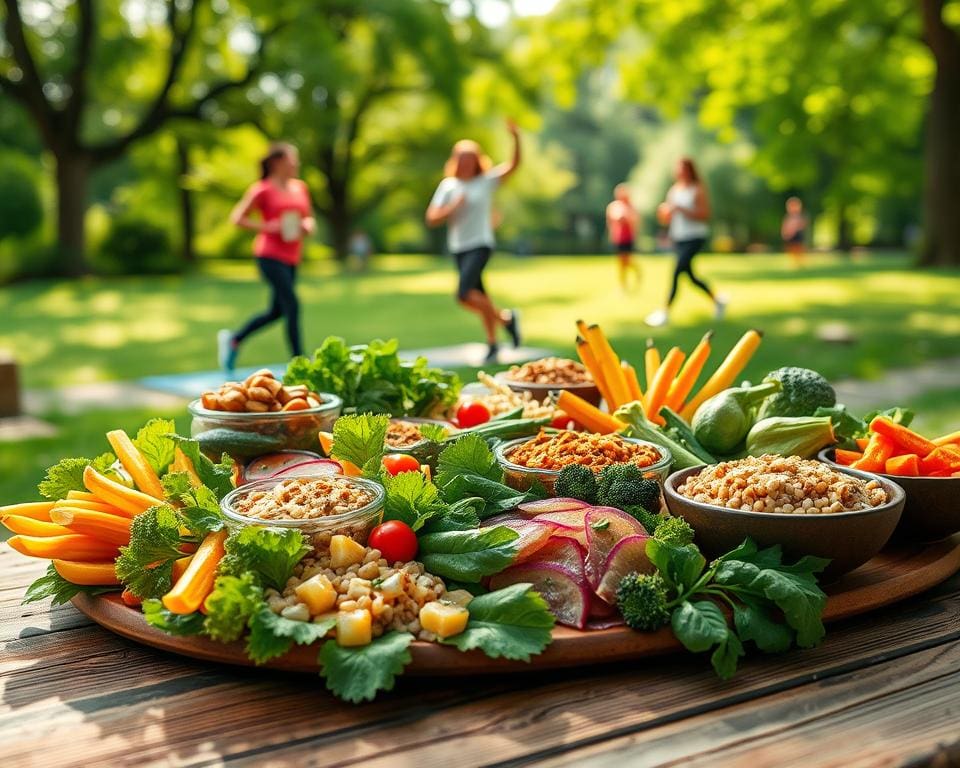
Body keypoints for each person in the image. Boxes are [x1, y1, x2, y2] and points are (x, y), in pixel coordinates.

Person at [425, 120, 522, 364]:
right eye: (462, 157)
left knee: (464, 294)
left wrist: (516, 138)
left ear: (477, 159)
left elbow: (513, 166)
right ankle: (496, 337)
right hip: (459, 246)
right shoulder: (448, 186)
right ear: (456, 160)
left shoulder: (486, 181)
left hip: (481, 244)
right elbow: (432, 217)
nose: (466, 162)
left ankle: (505, 321)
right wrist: (452, 208)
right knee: (480, 296)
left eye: (470, 157)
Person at [218, 142, 315, 372]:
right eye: (292, 160)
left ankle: (234, 339)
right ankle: (300, 362)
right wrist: (267, 226)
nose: (296, 164)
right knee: (292, 303)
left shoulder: (300, 188)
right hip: (269, 255)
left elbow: (309, 217)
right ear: (277, 162)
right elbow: (238, 218)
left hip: (292, 257)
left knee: (277, 311)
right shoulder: (262, 189)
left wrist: (308, 226)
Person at [646, 157, 725, 327]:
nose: (679, 172)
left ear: (689, 170)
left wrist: (681, 209)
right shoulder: (674, 190)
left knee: (676, 271)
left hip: (695, 237)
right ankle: (718, 301)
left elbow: (704, 215)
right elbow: (666, 218)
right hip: (679, 238)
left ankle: (664, 312)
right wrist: (665, 213)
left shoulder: (697, 190)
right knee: (690, 276)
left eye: (682, 168)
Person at [606, 184, 640, 291]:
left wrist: (626, 219)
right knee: (621, 262)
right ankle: (623, 285)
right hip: (618, 237)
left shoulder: (631, 206)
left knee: (627, 260)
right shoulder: (613, 206)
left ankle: (637, 272)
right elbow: (610, 222)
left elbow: (635, 222)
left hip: (628, 237)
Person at [781, 196, 808, 267]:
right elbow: (785, 226)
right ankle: (794, 262)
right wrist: (785, 233)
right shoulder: (788, 217)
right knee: (791, 249)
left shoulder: (799, 216)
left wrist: (796, 229)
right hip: (791, 235)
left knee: (798, 248)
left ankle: (799, 262)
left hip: (797, 234)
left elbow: (802, 224)